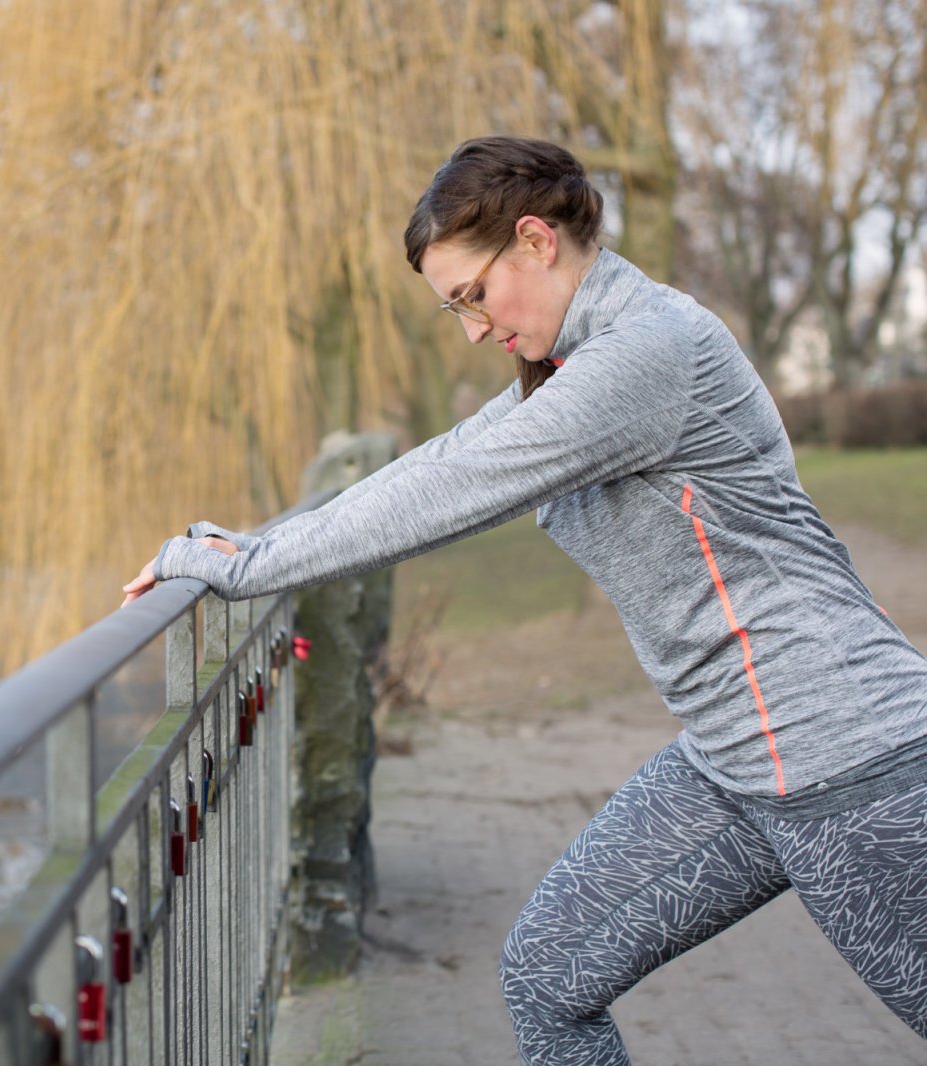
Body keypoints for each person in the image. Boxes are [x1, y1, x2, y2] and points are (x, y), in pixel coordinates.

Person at [120, 135, 927, 1064]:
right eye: (451, 309)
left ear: (536, 241)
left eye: (471, 296)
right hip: (735, 759)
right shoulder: (579, 361)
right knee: (550, 975)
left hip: (845, 754)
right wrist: (252, 544)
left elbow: (452, 493)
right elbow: (441, 459)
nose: (470, 328)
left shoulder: (647, 353)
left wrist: (245, 572)